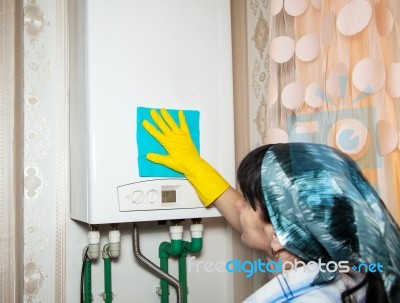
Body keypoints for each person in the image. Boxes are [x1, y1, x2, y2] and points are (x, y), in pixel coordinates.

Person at [142, 108, 400, 303]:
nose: (239, 206)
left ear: (280, 236)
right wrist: (193, 164)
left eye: (248, 203)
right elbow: (258, 223)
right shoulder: (357, 274)